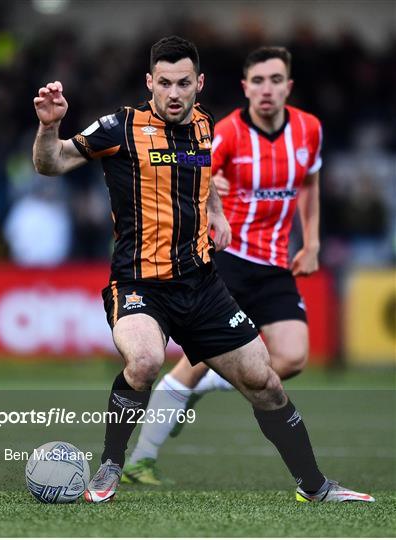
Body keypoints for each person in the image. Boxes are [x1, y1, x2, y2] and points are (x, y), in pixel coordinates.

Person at [33, 36, 373, 504]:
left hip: (203, 284)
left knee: (266, 383)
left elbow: (203, 171)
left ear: (200, 84)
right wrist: (49, 128)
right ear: (149, 82)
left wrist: (214, 209)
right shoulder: (120, 127)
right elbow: (52, 164)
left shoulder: (203, 127)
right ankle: (112, 463)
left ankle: (315, 487)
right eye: (165, 83)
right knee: (146, 360)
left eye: (184, 84)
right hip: (139, 285)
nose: (174, 93)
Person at [123, 45, 325, 485]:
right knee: (191, 366)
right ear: (245, 88)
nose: (266, 89)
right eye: (257, 81)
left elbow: (309, 181)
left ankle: (196, 390)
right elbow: (191, 174)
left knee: (291, 357)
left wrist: (311, 242)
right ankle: (140, 459)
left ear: (288, 86)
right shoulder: (227, 132)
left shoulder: (309, 130)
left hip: (273, 264)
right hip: (226, 260)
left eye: (275, 80)